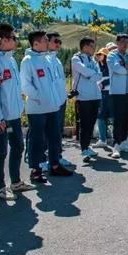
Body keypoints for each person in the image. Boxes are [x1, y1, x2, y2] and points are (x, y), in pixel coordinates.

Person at [0, 23, 35, 201]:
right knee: (0, 151)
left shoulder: (11, 60)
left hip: (14, 115)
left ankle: (16, 182)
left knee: (18, 147)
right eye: (13, 37)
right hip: (1, 119)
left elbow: (15, 88)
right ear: (3, 40)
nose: (16, 40)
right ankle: (0, 187)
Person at [21, 31, 73, 183]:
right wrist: (40, 97)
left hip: (53, 107)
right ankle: (36, 170)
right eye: (45, 40)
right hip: (37, 108)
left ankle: (55, 165)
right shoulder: (28, 61)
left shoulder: (48, 60)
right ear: (36, 44)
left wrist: (57, 99)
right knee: (37, 140)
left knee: (54, 137)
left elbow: (54, 84)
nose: (47, 43)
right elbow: (25, 86)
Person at [71, 37, 102, 162]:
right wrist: (92, 75)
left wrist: (91, 75)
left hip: (95, 95)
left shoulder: (93, 60)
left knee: (91, 123)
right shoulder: (76, 58)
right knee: (84, 124)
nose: (94, 49)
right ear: (85, 46)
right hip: (83, 97)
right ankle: (84, 148)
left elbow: (98, 75)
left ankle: (87, 145)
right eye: (92, 46)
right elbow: (84, 71)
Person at [46, 32, 72, 167]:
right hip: (50, 103)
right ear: (47, 41)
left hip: (61, 101)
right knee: (49, 132)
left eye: (60, 42)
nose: (58, 44)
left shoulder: (56, 60)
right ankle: (46, 158)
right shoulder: (44, 59)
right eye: (55, 41)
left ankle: (57, 156)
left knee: (58, 131)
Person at [95, 47, 113, 148]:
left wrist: (104, 82)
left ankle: (115, 138)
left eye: (100, 54)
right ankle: (102, 139)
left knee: (112, 116)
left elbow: (114, 78)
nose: (98, 56)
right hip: (101, 94)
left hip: (109, 93)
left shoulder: (110, 66)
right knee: (101, 117)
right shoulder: (98, 66)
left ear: (105, 56)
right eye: (98, 55)